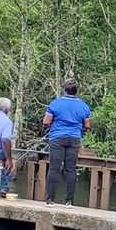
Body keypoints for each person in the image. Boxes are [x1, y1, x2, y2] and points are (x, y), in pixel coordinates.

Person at [43, 78, 91, 206]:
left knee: (54, 168)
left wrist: (53, 125)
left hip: (57, 138)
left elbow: (46, 122)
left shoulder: (55, 103)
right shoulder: (84, 106)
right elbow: (87, 126)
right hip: (74, 139)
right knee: (70, 169)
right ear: (76, 91)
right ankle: (69, 201)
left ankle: (50, 200)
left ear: (65, 90)